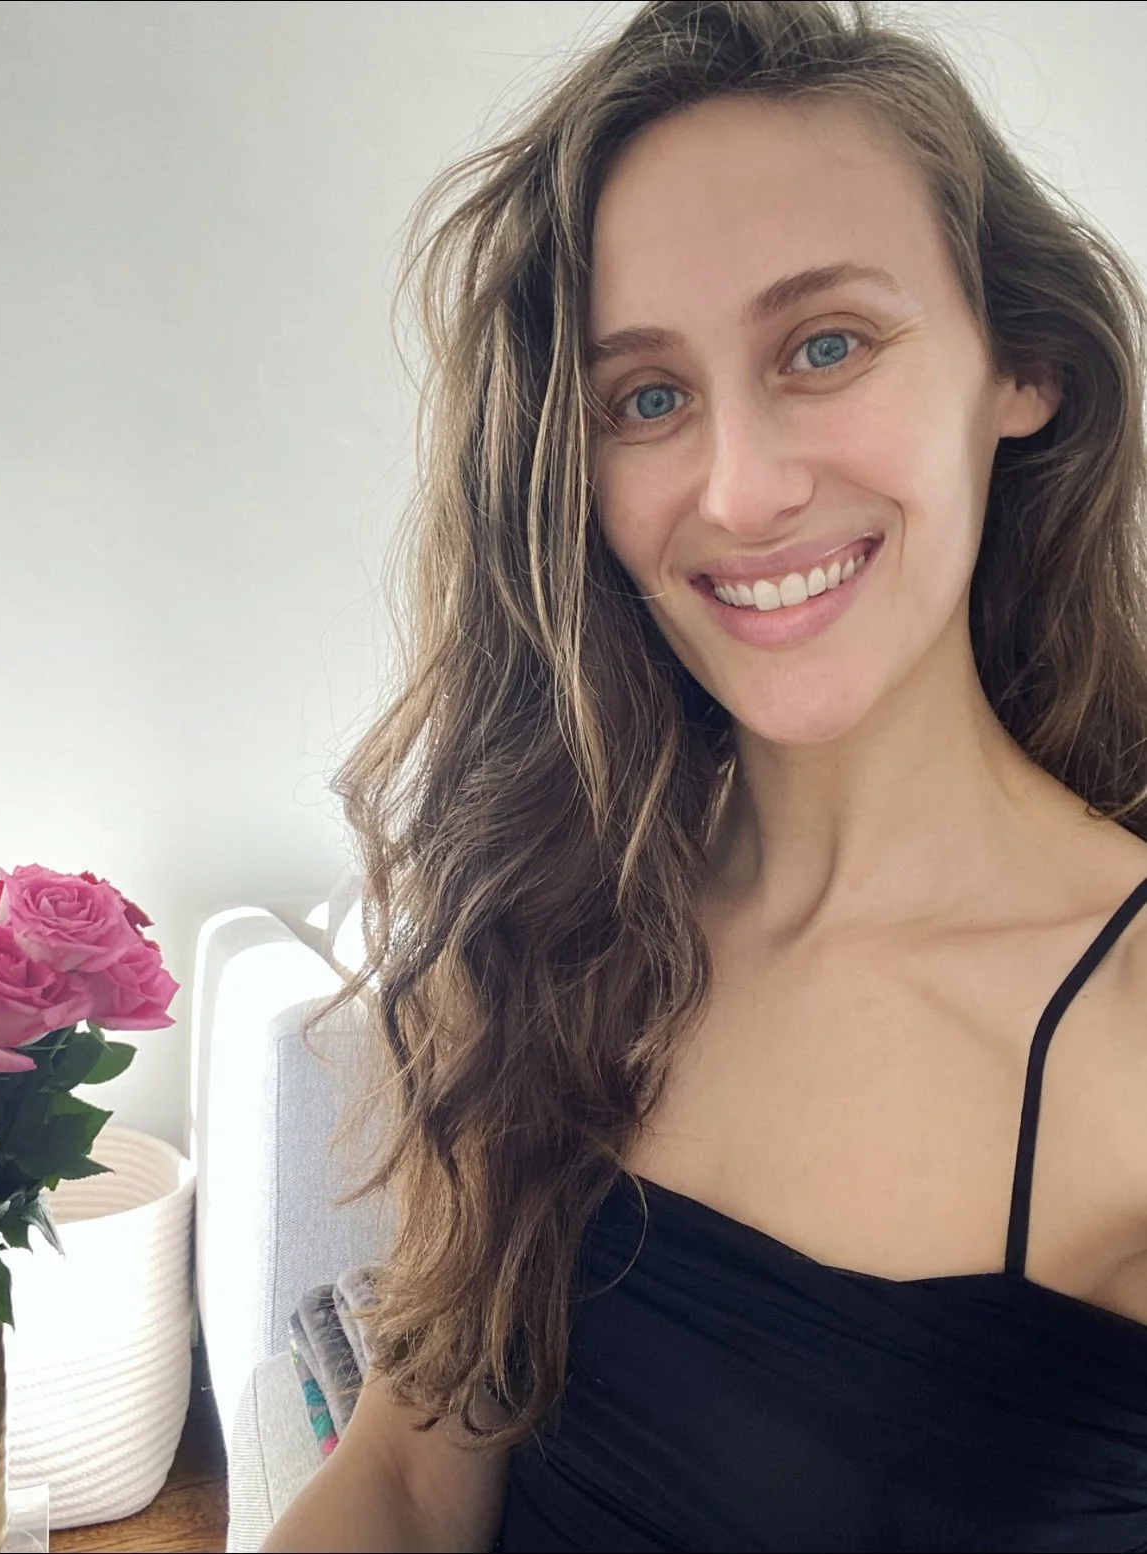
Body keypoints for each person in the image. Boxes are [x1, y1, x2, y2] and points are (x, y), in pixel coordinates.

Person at [261, 2, 1147, 1549]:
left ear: (1023, 366)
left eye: (825, 344)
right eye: (648, 398)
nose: (738, 490)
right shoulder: (546, 909)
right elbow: (407, 1480)